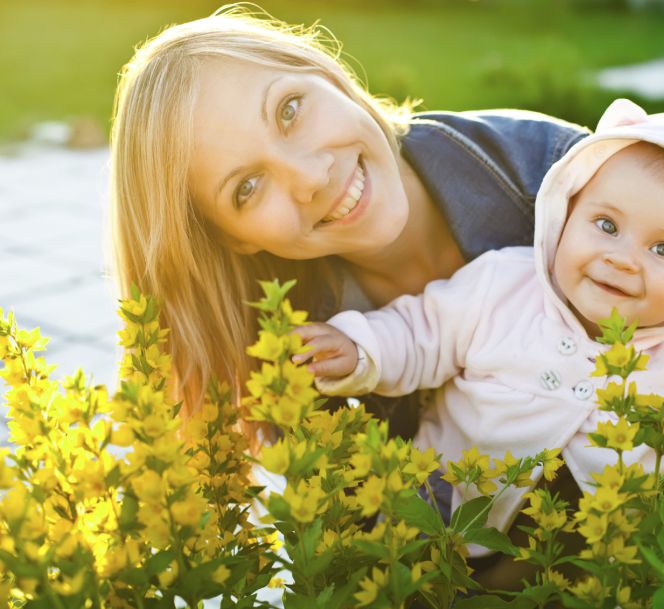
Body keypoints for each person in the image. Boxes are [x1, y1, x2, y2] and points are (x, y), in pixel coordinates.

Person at [295, 99, 664, 547]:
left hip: (598, 553)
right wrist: (358, 348)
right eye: (606, 225)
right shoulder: (503, 284)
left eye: (663, 248)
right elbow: (418, 333)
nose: (623, 258)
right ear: (563, 214)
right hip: (449, 510)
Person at [108, 6, 588, 422]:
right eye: (247, 188)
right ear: (234, 238)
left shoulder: (560, 173)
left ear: (328, 75)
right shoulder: (295, 361)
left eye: (289, 110)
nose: (311, 178)